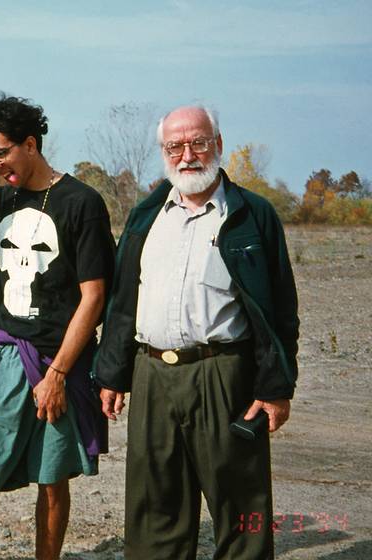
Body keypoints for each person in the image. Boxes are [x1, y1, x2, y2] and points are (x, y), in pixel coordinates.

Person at [94, 105, 299, 559]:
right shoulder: (146, 216)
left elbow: (280, 310)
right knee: (154, 508)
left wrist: (276, 386)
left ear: (217, 145)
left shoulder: (252, 215)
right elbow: (124, 300)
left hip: (223, 376)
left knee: (240, 506)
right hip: (152, 375)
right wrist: (111, 373)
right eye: (175, 146)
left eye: (198, 142)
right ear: (164, 152)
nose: (187, 155)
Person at [0, 93, 116, 560]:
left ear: (31, 143)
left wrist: (58, 374)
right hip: (6, 357)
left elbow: (94, 296)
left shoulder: (81, 202)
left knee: (52, 480)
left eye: (1, 153)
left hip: (60, 357)